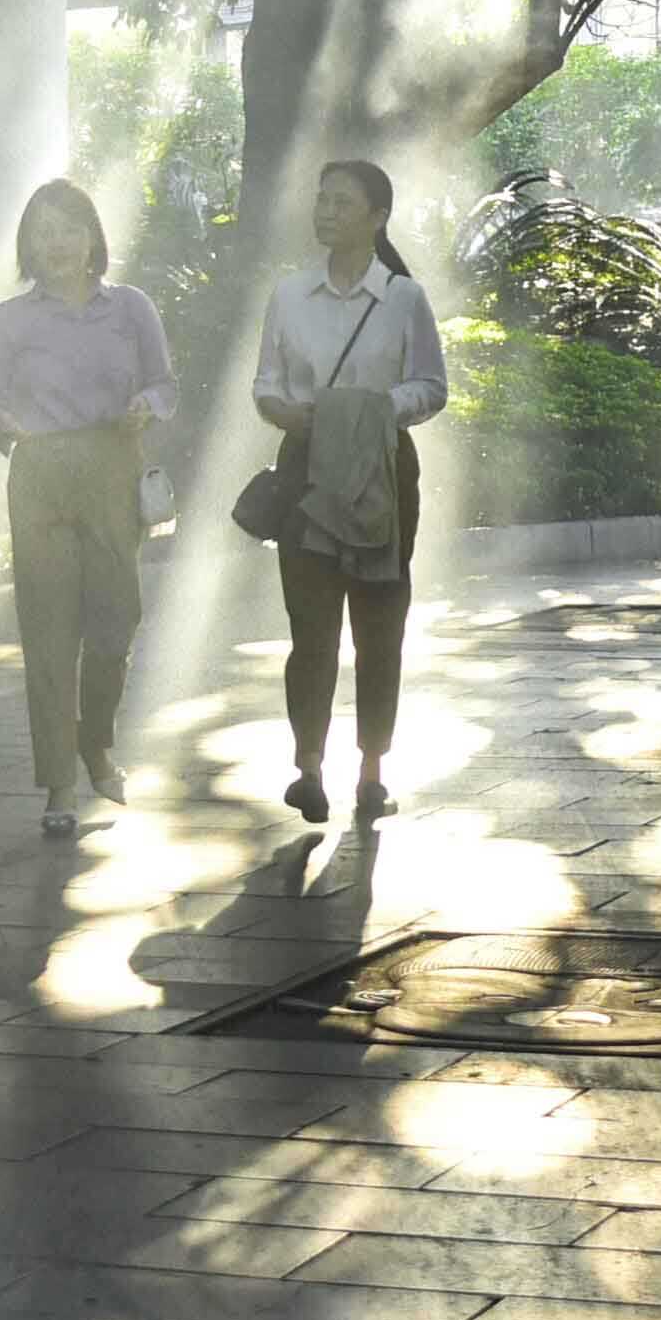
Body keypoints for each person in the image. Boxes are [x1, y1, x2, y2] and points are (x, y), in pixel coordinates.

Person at [249, 156, 448, 824]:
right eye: (321, 200)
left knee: (378, 625)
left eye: (342, 202)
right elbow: (266, 383)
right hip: (306, 467)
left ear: (377, 217)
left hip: (383, 474)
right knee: (311, 629)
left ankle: (372, 770)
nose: (325, 211)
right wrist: (290, 412)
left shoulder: (403, 299)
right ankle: (309, 769)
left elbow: (431, 386)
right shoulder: (289, 295)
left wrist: (368, 410)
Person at [0, 180, 172, 841]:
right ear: (29, 245)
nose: (56, 242)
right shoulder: (9, 320)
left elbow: (164, 381)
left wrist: (149, 404)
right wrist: (4, 428)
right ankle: (60, 781)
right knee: (49, 628)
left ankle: (96, 740)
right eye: (43, 231)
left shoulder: (131, 308)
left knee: (118, 619)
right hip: (40, 472)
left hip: (112, 460)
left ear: (92, 236)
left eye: (69, 227)